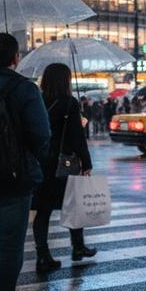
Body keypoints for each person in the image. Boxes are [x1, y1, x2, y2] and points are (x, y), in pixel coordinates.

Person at [0, 33, 51, 291]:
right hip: (14, 179)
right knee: (9, 247)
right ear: (15, 58)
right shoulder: (24, 89)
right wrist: (30, 158)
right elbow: (42, 135)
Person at [31, 63, 96, 272]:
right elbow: (77, 138)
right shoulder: (69, 103)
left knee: (43, 211)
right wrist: (86, 163)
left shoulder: (37, 100)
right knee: (73, 205)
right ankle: (78, 247)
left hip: (41, 163)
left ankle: (43, 255)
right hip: (64, 163)